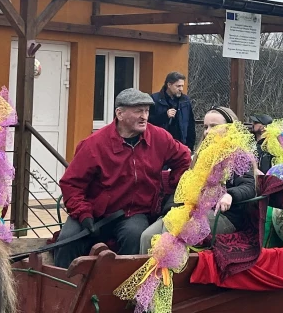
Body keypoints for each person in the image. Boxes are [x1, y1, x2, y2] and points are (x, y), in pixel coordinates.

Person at [55, 88, 191, 268]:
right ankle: (60, 282)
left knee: (135, 237)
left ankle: (120, 285)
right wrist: (84, 214)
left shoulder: (160, 138)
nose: (144, 116)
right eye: (138, 111)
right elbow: (71, 184)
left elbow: (184, 159)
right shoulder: (94, 144)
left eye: (146, 111)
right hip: (93, 211)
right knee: (67, 240)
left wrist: (173, 188)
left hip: (135, 212)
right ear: (119, 113)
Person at [139, 107, 257, 253]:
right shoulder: (201, 156)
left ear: (229, 127)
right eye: (206, 127)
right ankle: (149, 267)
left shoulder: (238, 155)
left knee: (170, 234)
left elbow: (249, 186)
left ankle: (171, 268)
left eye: (214, 126)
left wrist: (230, 195)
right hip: (194, 210)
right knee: (147, 236)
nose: (207, 131)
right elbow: (186, 187)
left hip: (223, 215)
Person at [148, 71, 196, 150]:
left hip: (181, 145)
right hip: (160, 146)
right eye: (178, 86)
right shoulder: (154, 99)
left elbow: (190, 124)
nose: (181, 89)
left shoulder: (185, 100)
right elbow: (148, 122)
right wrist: (165, 116)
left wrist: (190, 146)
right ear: (169, 85)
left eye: (182, 86)